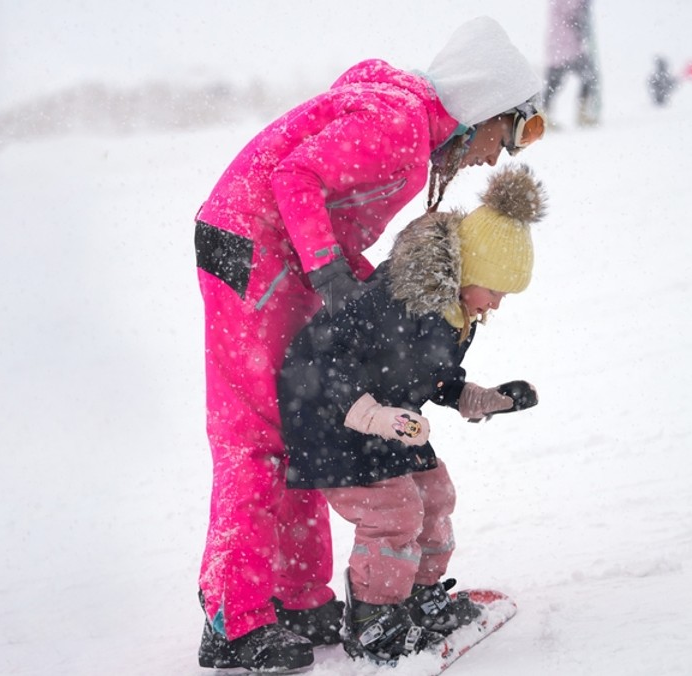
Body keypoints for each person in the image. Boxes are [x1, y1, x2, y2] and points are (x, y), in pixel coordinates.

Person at [192, 16, 545, 673]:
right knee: (257, 436)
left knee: (302, 421)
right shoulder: (401, 126)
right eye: (506, 134)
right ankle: (233, 620)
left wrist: (348, 278)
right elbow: (295, 177)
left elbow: (323, 161)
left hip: (275, 253)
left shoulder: (403, 112)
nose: (497, 157)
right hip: (251, 248)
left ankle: (298, 599)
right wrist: (328, 267)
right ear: (481, 110)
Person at [277, 163, 545, 663]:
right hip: (329, 418)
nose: (496, 305)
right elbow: (324, 359)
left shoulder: (453, 311)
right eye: (496, 291)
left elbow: (426, 374)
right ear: (473, 272)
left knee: (434, 494)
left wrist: (479, 397)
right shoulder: (396, 300)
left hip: (390, 421)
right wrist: (371, 415)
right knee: (393, 512)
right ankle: (374, 618)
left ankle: (419, 595)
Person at [542, 0, 602, 127]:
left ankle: (544, 116)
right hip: (567, 46)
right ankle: (581, 113)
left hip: (558, 46)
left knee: (553, 84)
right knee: (589, 76)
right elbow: (574, 14)